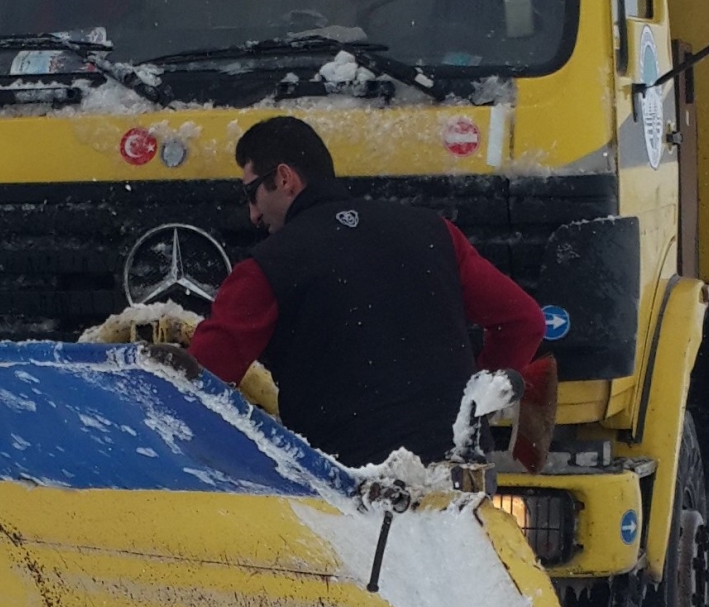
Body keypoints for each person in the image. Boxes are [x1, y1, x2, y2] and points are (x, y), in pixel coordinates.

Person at [186, 114, 547, 469]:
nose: (252, 214)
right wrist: (475, 396)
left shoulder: (267, 268)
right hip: (457, 477)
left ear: (284, 179)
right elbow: (523, 320)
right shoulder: (434, 233)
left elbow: (194, 383)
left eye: (251, 194)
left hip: (350, 489)